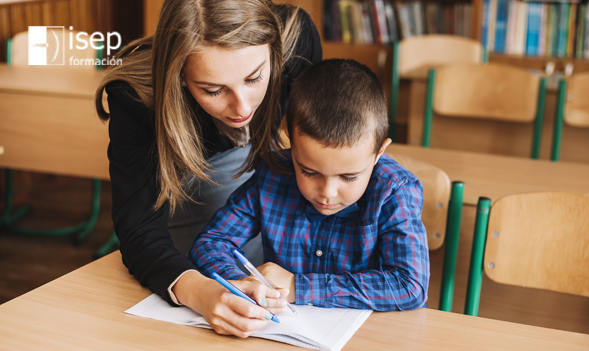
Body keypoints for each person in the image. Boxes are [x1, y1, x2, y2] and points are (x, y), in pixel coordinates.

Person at [94, 0, 322, 337]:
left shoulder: (297, 39)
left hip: (269, 173)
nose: (242, 107)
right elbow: (139, 227)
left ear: (275, 52)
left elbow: (321, 143)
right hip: (193, 189)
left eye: (255, 77)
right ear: (180, 75)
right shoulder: (137, 95)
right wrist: (201, 292)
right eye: (213, 90)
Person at [190, 59, 429, 311]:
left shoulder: (394, 191)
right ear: (289, 135)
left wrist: (298, 287)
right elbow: (211, 242)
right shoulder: (274, 174)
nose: (327, 193)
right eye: (309, 172)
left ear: (379, 152)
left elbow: (410, 286)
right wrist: (244, 283)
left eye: (348, 177)